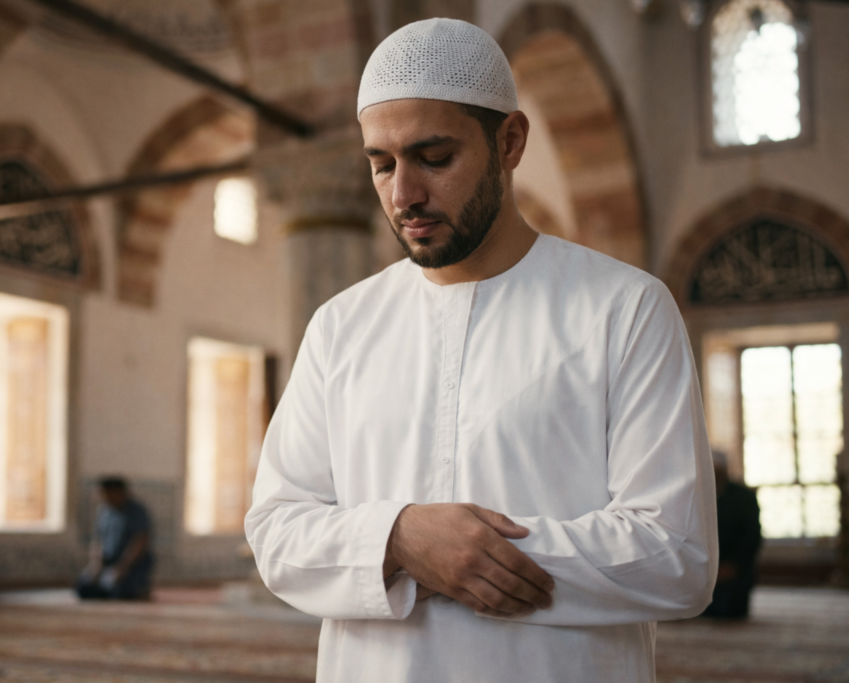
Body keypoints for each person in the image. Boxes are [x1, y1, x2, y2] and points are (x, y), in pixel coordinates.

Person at [245, 18, 718, 683]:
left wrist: (462, 553)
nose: (403, 193)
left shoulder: (624, 309)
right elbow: (277, 530)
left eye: (434, 157)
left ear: (510, 141)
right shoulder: (340, 326)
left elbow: (677, 556)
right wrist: (400, 538)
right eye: (382, 164)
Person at [701, 450, 761, 619]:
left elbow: (752, 536)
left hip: (734, 567)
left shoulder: (743, 497)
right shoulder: (696, 495)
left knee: (728, 612)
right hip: (703, 565)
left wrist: (733, 565)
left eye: (717, 471)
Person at [76, 476, 154, 600]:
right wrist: (96, 565)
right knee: (83, 587)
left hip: (131, 564)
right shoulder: (104, 510)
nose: (103, 497)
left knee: (121, 591)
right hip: (107, 561)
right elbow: (97, 540)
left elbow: (140, 541)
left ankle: (139, 589)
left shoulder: (137, 511)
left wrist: (121, 568)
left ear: (119, 492)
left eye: (106, 493)